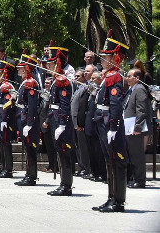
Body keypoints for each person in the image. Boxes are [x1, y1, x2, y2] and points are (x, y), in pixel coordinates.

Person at [92, 34, 129, 212]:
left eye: (105, 57)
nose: (102, 60)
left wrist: (113, 128)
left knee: (116, 162)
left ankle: (118, 201)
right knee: (109, 162)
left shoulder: (114, 77)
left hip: (110, 123)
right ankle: (110, 197)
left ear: (113, 58)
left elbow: (115, 105)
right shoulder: (108, 76)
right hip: (103, 122)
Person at [46, 44, 75, 196]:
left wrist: (62, 124)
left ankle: (67, 185)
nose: (48, 66)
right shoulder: (57, 79)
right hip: (55, 118)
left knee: (64, 151)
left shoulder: (62, 80)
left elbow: (64, 104)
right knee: (60, 151)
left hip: (61, 120)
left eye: (51, 63)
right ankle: (63, 183)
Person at [15, 57, 41, 186]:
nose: (18, 70)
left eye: (20, 68)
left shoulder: (31, 83)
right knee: (27, 147)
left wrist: (30, 124)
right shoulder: (25, 82)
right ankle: (28, 174)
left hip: (27, 119)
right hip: (22, 116)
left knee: (30, 148)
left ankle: (31, 176)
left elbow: (32, 105)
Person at [124, 67, 151, 188]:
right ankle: (134, 177)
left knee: (137, 155)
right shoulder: (131, 89)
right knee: (131, 154)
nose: (127, 78)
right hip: (128, 126)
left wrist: (138, 127)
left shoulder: (139, 89)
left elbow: (142, 110)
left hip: (135, 127)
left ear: (137, 78)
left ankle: (140, 180)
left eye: (129, 76)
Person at [0, 61, 16, 179]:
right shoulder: (2, 85)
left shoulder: (7, 86)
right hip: (1, 118)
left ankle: (8, 169)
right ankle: (4, 167)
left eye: (0, 72)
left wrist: (3, 119)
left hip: (5, 120)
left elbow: (7, 105)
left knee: (6, 144)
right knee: (2, 143)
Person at [71, 68, 92, 177]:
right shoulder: (79, 88)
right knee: (79, 146)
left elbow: (83, 106)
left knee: (84, 147)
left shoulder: (87, 88)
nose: (76, 78)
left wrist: (80, 122)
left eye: (78, 76)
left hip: (81, 122)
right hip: (75, 121)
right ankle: (82, 166)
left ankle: (86, 167)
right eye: (75, 76)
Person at [39, 77, 56, 173]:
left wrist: (47, 121)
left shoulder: (53, 95)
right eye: (45, 83)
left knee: (51, 147)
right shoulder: (45, 94)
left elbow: (50, 110)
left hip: (49, 124)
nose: (46, 84)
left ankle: (53, 166)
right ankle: (50, 164)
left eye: (48, 83)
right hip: (42, 124)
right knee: (48, 147)